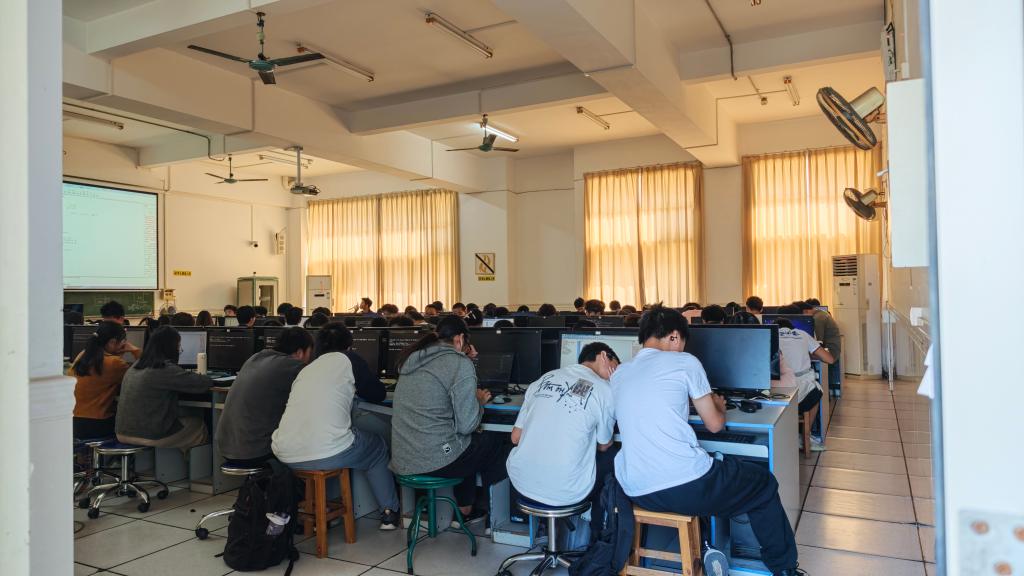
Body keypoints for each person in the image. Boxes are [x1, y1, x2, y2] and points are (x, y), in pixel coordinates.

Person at [612, 305, 802, 576]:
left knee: (711, 466)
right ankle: (784, 568)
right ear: (674, 336)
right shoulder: (685, 362)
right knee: (763, 483)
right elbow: (714, 425)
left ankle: (704, 543)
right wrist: (719, 406)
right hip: (684, 488)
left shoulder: (620, 372)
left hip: (636, 489)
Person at [272, 323, 399, 530]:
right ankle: (388, 513)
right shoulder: (349, 359)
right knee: (377, 448)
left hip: (285, 453)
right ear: (348, 346)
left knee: (330, 444)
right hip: (326, 451)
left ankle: (328, 511)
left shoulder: (306, 368)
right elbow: (378, 394)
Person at [390, 316, 511, 527]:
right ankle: (491, 519)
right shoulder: (458, 363)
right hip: (435, 460)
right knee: (492, 441)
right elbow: (467, 425)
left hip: (403, 458)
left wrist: (464, 360)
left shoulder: (413, 358)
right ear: (460, 338)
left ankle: (464, 508)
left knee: (465, 443)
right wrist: (479, 402)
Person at [507, 342, 619, 536]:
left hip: (521, 484)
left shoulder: (543, 379)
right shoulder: (605, 390)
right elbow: (603, 445)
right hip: (567, 491)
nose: (616, 374)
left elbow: (515, 437)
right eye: (616, 366)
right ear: (603, 356)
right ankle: (597, 537)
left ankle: (546, 528)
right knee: (614, 457)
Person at [217, 327, 314, 466]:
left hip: (226, 447)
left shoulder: (255, 358)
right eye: (309, 353)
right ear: (300, 352)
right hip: (255, 451)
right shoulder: (293, 366)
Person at [116, 327, 213, 450]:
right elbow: (204, 383)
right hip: (149, 435)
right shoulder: (165, 369)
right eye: (178, 347)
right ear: (171, 348)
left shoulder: (136, 365)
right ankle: (196, 464)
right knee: (199, 426)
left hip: (122, 433)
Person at [776, 306, 834, 451]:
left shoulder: (770, 335)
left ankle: (785, 434)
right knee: (816, 391)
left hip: (776, 395)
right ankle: (805, 437)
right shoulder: (802, 334)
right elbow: (830, 359)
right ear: (792, 328)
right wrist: (807, 352)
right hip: (802, 396)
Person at [70, 321, 141, 439]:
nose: (124, 346)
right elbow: (142, 378)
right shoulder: (115, 363)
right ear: (112, 342)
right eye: (123, 343)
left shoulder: (82, 355)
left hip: (74, 422)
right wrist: (136, 351)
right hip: (97, 424)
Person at [800, 300, 841, 392]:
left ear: (806, 311)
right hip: (829, 349)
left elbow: (818, 341)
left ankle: (812, 390)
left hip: (830, 352)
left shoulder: (818, 318)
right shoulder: (820, 314)